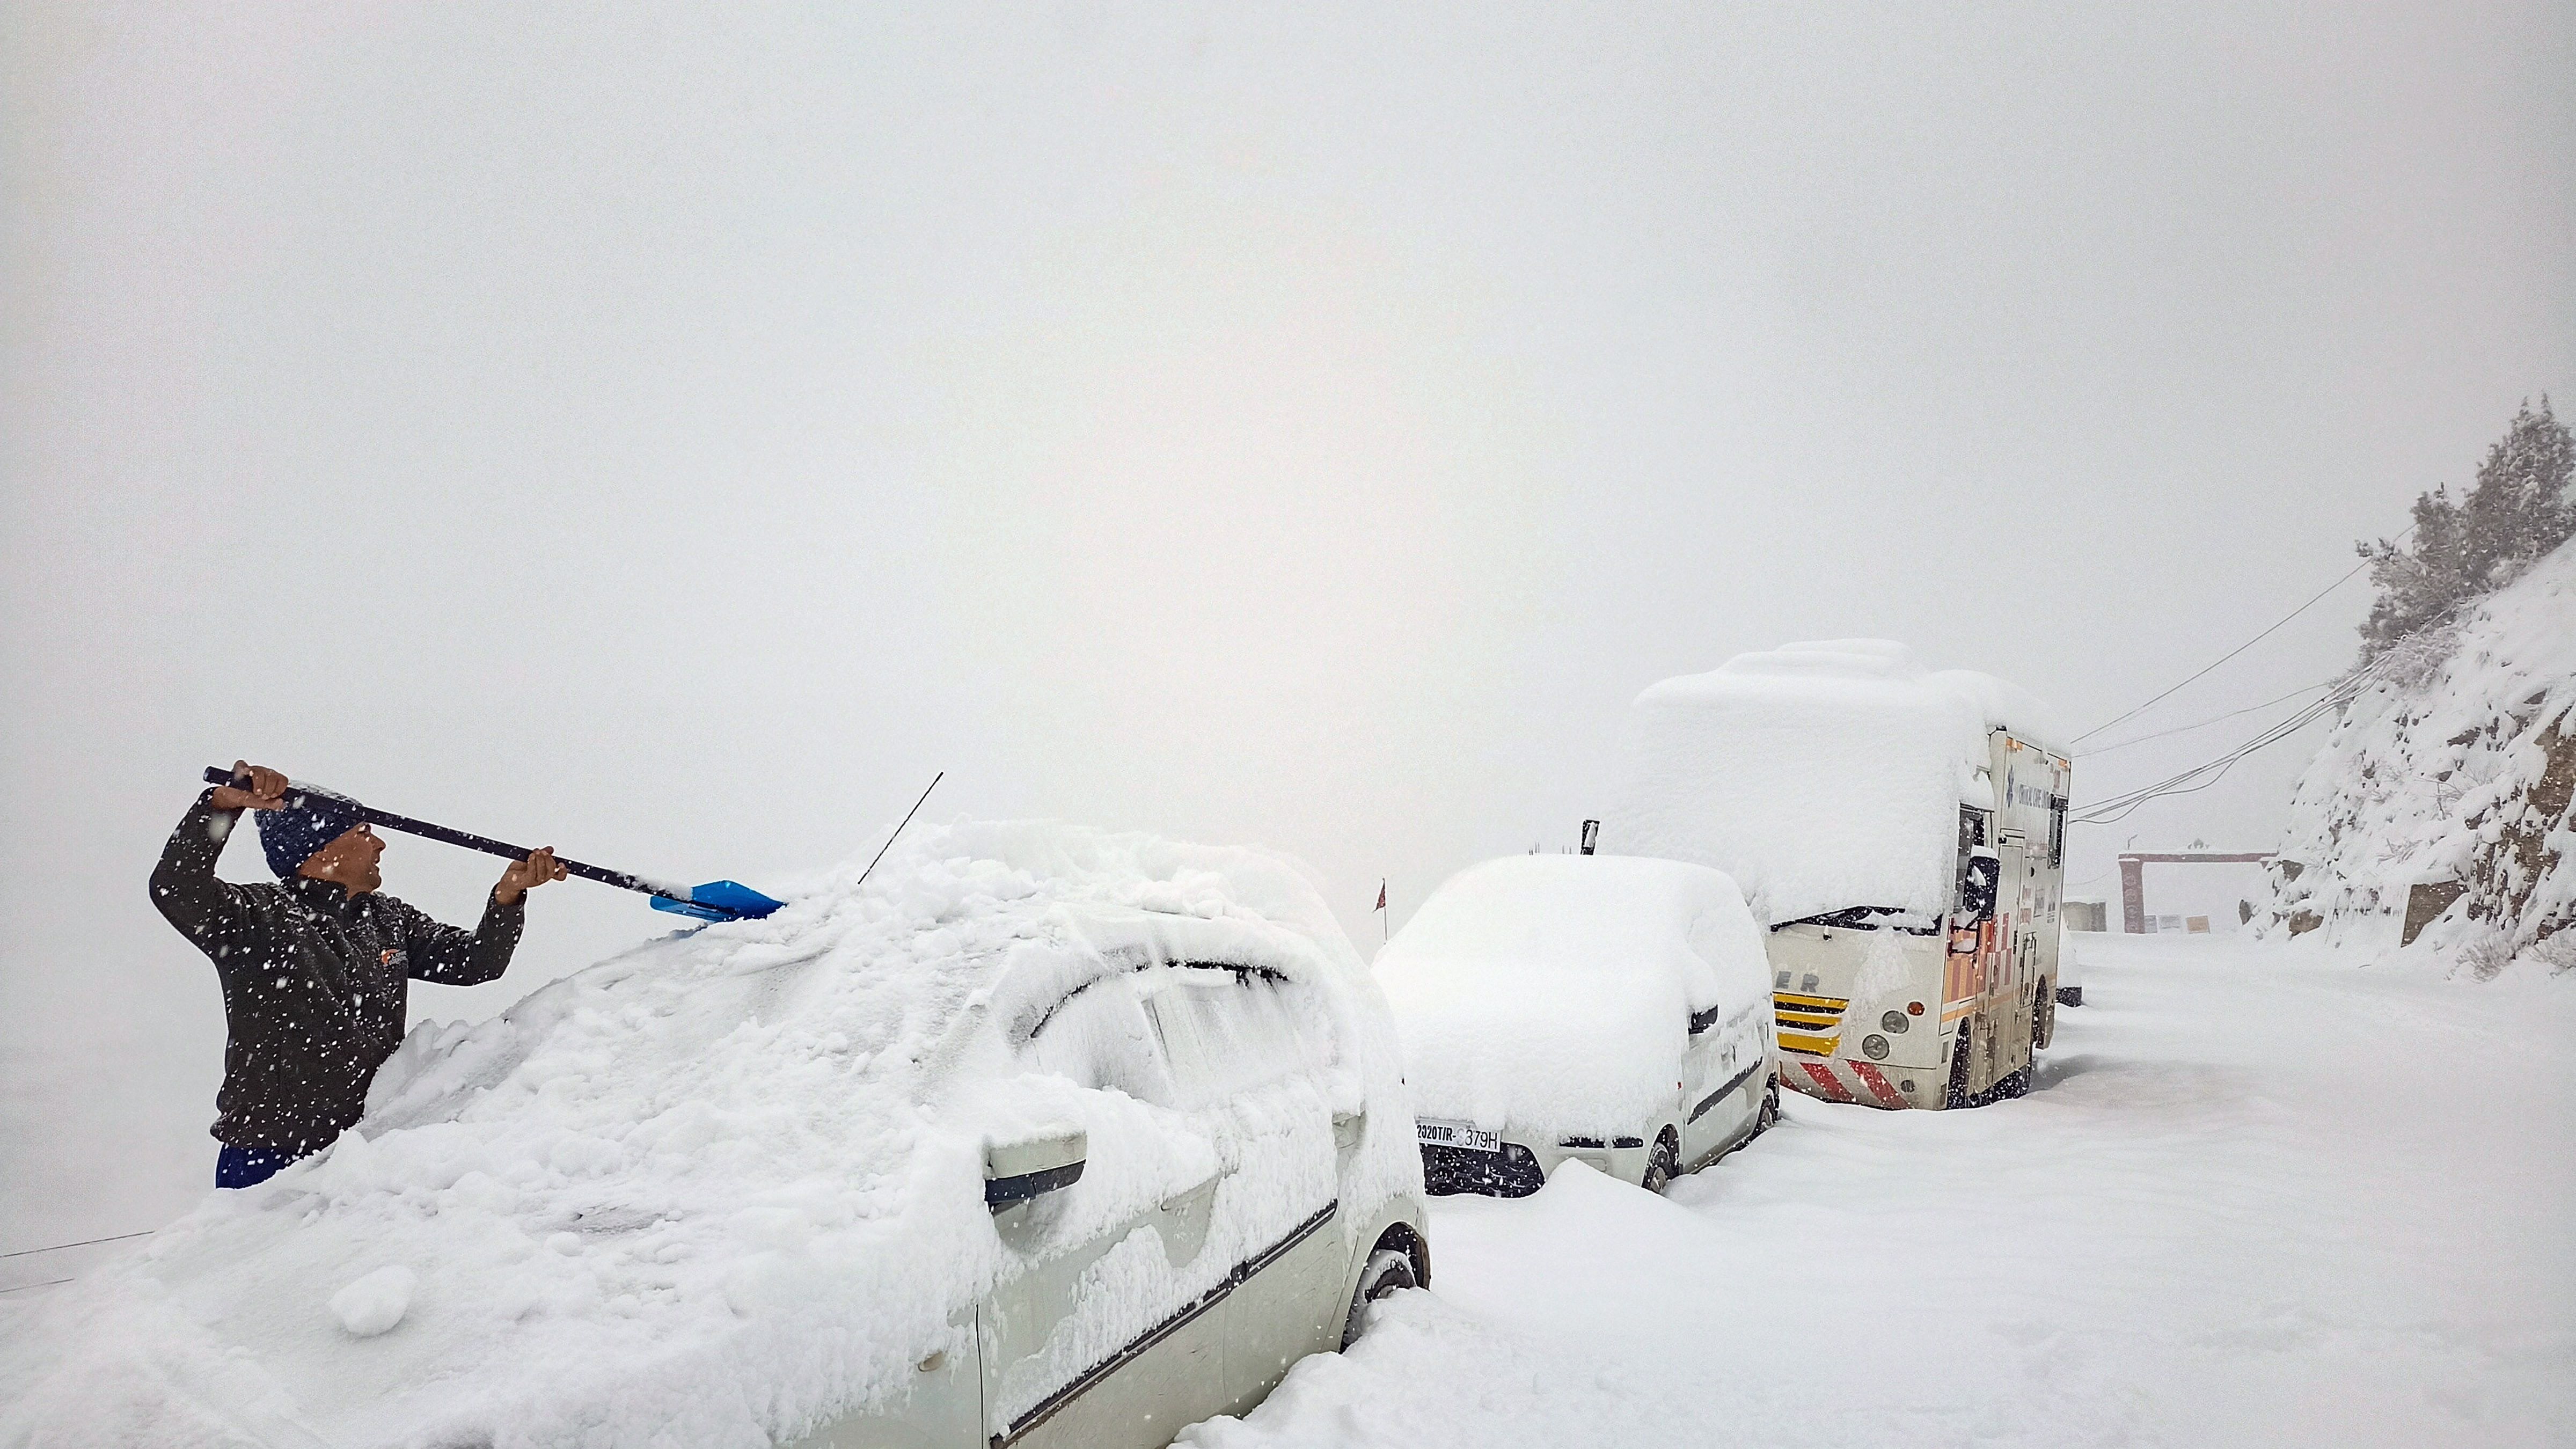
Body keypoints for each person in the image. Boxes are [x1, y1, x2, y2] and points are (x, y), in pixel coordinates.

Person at [151, 762, 567, 1189]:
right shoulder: (259, 918)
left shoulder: (387, 918)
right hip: (270, 1157)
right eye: (364, 832)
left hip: (364, 1152)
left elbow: (477, 962)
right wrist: (221, 806)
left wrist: (507, 897)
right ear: (320, 852)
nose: (380, 843)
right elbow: (175, 887)